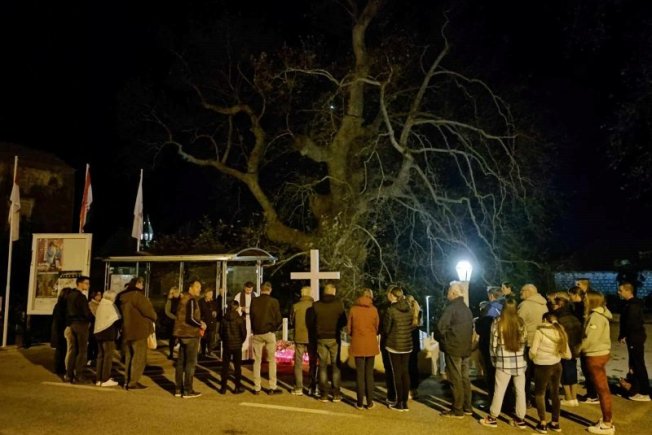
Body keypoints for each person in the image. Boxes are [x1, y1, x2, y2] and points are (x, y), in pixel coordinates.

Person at [479, 298, 528, 429]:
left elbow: (493, 344)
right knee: (520, 391)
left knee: (499, 390)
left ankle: (493, 417)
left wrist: (494, 359)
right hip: (519, 361)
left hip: (503, 361)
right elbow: (524, 342)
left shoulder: (498, 322)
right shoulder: (521, 322)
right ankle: (520, 418)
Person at [436, 281, 474, 418]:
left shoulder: (451, 308)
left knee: (455, 378)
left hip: (453, 348)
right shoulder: (466, 309)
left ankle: (457, 409)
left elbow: (440, 328)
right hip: (465, 348)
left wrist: (443, 340)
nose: (447, 294)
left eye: (448, 292)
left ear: (453, 293)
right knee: (464, 378)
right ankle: (467, 406)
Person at [529, 312, 572, 433]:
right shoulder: (560, 331)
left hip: (542, 366)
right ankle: (555, 422)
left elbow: (533, 351)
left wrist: (532, 357)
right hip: (556, 365)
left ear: (544, 320)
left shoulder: (540, 331)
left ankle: (542, 423)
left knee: (540, 394)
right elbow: (568, 355)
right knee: (555, 394)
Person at [581, 290, 615, 435]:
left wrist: (578, 349)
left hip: (595, 355)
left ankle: (607, 424)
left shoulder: (595, 317)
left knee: (602, 390)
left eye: (585, 299)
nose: (584, 301)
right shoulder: (601, 314)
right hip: (602, 353)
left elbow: (590, 339)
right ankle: (607, 420)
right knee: (603, 389)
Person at [117, 276, 157, 390]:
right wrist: (154, 317)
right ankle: (133, 382)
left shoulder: (123, 297)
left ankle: (127, 380)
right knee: (139, 357)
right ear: (137, 284)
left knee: (129, 357)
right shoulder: (137, 296)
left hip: (127, 330)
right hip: (139, 330)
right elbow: (149, 311)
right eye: (141, 284)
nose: (142, 286)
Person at [309, 282, 346, 403]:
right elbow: (344, 321)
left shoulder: (316, 305)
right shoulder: (339, 304)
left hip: (321, 338)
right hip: (334, 337)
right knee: (335, 365)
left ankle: (324, 393)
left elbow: (312, 322)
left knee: (322, 365)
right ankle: (336, 393)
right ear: (333, 292)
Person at [617, 281, 650, 401]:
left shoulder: (633, 306)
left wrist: (624, 335)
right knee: (633, 365)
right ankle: (634, 389)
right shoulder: (629, 304)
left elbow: (632, 323)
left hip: (635, 337)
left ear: (628, 291)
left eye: (620, 290)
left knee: (638, 364)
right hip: (633, 337)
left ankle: (645, 392)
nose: (618, 292)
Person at [348, 288, 380, 409]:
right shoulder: (374, 310)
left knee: (360, 373)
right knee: (369, 373)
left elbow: (349, 328)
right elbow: (377, 326)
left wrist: (354, 334)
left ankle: (360, 402)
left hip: (358, 343)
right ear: (370, 296)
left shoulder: (353, 309)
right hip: (370, 343)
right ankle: (370, 402)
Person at [173, 278, 206, 398]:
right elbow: (190, 318)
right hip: (190, 334)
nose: (199, 290)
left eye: (200, 288)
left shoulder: (182, 298)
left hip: (181, 333)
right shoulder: (191, 300)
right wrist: (200, 324)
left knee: (180, 362)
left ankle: (178, 389)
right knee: (190, 363)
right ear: (190, 287)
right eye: (197, 287)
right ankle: (188, 390)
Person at [549, 292, 583, 407]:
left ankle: (568, 397)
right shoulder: (573, 316)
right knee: (573, 371)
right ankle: (574, 397)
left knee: (564, 372)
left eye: (554, 304)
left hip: (564, 348)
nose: (552, 306)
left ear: (559, 304)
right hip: (575, 348)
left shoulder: (558, 318)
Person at [250, 281, 283, 395]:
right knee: (271, 360)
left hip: (257, 333)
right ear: (270, 289)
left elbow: (252, 316)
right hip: (269, 333)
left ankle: (257, 387)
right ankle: (272, 386)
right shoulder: (274, 301)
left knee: (257, 360)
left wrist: (254, 329)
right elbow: (278, 318)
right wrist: (273, 328)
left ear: (261, 289)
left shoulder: (254, 301)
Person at [517, 284, 549, 403]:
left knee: (527, 373)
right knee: (541, 373)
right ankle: (543, 398)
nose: (520, 293)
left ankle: (527, 399)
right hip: (542, 341)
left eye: (522, 290)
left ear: (528, 292)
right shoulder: (544, 304)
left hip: (529, 342)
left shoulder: (525, 305)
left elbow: (519, 323)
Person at [568, 284, 598, 404]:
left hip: (582, 340)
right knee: (586, 369)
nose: (570, 298)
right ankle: (592, 393)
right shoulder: (581, 307)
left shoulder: (579, 307)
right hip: (581, 339)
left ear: (576, 295)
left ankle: (593, 395)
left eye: (571, 295)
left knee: (587, 369)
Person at [476, 286, 503, 405]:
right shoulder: (508, 306)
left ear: (491, 296)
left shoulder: (489, 308)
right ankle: (506, 402)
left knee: (491, 373)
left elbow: (482, 328)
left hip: (489, 344)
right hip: (505, 344)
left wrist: (478, 322)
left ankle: (493, 401)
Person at [64, 276, 92, 384]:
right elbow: (86, 313)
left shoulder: (70, 295)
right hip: (81, 324)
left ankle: (68, 374)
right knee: (82, 351)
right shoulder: (81, 297)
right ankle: (79, 375)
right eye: (86, 283)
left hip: (72, 324)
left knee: (73, 350)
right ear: (79, 283)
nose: (88, 285)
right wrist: (92, 319)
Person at [291, 285, 317, 396]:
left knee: (298, 363)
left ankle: (298, 387)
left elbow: (292, 321)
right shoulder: (315, 306)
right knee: (313, 362)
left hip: (299, 336)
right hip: (311, 337)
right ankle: (312, 387)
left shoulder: (296, 306)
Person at [93, 290, 121, 387]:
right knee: (108, 357)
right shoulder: (110, 306)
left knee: (100, 356)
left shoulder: (101, 305)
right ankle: (105, 379)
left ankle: (98, 379)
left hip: (98, 332)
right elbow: (117, 319)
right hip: (108, 334)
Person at [220, 300, 246, 394]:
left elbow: (221, 332)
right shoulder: (239, 319)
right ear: (237, 307)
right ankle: (237, 387)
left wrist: (225, 340)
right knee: (237, 367)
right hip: (237, 345)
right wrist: (240, 341)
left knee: (225, 366)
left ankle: (223, 387)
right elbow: (243, 333)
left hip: (227, 344)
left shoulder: (224, 318)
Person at [51, 287, 72, 375]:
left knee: (60, 349)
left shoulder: (58, 305)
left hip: (58, 328)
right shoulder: (66, 306)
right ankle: (62, 368)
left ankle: (58, 367)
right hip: (63, 328)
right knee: (64, 349)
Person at [234, 281, 256, 360]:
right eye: (247, 289)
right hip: (243, 318)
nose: (249, 291)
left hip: (252, 319)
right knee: (244, 336)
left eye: (250, 289)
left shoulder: (255, 295)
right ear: (244, 287)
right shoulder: (239, 295)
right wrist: (241, 308)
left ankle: (251, 356)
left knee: (252, 336)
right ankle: (243, 357)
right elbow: (235, 307)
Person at [406, 294, 423, 398]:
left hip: (408, 342)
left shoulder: (407, 313)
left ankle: (408, 389)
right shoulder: (418, 313)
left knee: (407, 367)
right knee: (414, 366)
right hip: (415, 343)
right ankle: (414, 389)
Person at [199, 288, 219, 358]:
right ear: (205, 294)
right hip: (204, 322)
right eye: (209, 294)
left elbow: (217, 309)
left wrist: (216, 312)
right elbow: (199, 311)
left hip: (212, 322)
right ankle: (203, 352)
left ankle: (210, 351)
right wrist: (201, 320)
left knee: (211, 338)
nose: (211, 295)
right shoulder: (201, 302)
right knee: (204, 338)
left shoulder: (213, 302)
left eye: (212, 294)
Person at [163, 287, 180, 360]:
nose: (177, 294)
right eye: (176, 292)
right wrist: (174, 317)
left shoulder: (180, 300)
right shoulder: (170, 300)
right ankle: (171, 353)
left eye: (178, 292)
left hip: (179, 321)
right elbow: (167, 311)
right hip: (172, 322)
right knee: (172, 338)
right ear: (172, 293)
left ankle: (179, 353)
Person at [87, 290, 102, 367]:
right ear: (94, 296)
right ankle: (90, 359)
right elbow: (93, 316)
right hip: (92, 326)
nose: (100, 296)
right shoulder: (91, 304)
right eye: (98, 295)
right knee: (92, 343)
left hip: (99, 326)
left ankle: (95, 359)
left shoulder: (101, 304)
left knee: (97, 344)